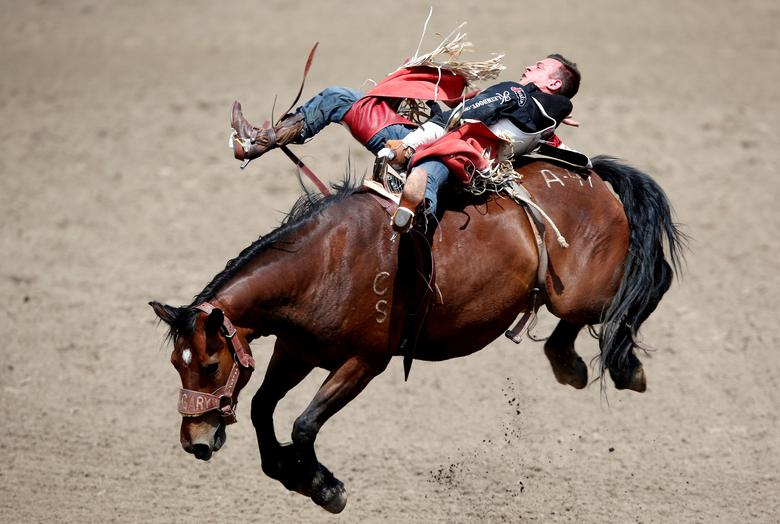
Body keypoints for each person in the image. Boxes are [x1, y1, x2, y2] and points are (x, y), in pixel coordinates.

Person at [231, 54, 581, 231]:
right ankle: (258, 141)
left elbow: (459, 120)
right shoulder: (544, 120)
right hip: (457, 156)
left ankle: (416, 214)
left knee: (432, 165)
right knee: (342, 97)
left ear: (552, 84)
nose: (528, 70)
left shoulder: (515, 94)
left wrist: (409, 142)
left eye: (538, 68)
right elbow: (559, 151)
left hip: (449, 154)